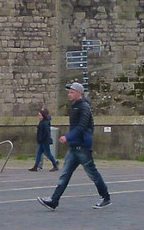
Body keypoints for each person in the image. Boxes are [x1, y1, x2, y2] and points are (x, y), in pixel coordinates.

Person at [38, 83, 111, 211]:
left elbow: (82, 127)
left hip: (82, 147)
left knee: (92, 173)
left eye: (71, 92)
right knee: (65, 174)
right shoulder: (75, 107)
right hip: (74, 147)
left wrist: (68, 137)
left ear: (79, 93)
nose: (69, 94)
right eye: (69, 92)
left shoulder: (84, 107)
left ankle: (105, 197)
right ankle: (54, 200)